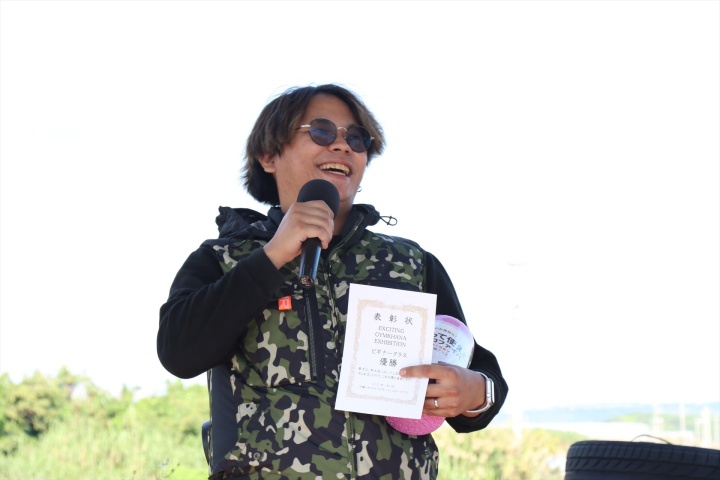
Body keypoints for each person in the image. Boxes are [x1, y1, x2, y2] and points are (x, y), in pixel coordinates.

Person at [157, 83, 509, 480]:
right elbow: (179, 353)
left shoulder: (411, 264)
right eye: (322, 131)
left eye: (357, 138)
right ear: (268, 155)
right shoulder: (221, 260)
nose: (342, 145)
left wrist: (475, 392)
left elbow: (478, 373)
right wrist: (273, 256)